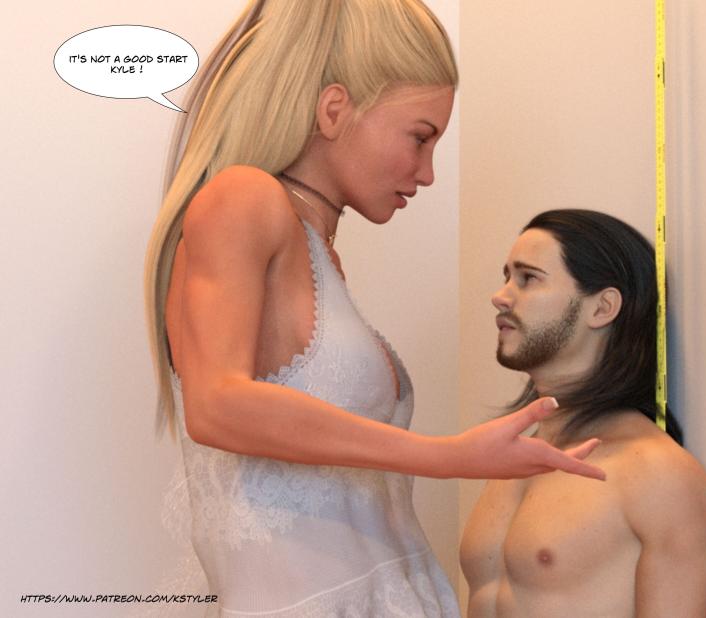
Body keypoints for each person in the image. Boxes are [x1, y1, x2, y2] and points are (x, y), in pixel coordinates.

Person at [143, 2, 605, 616]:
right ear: (335, 110)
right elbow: (217, 405)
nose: (428, 172)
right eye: (420, 137)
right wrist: (450, 456)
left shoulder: (317, 251)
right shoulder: (242, 198)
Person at [460, 210, 706, 617]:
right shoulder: (512, 461)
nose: (501, 296)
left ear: (602, 308)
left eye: (528, 278)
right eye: (507, 277)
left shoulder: (657, 472)